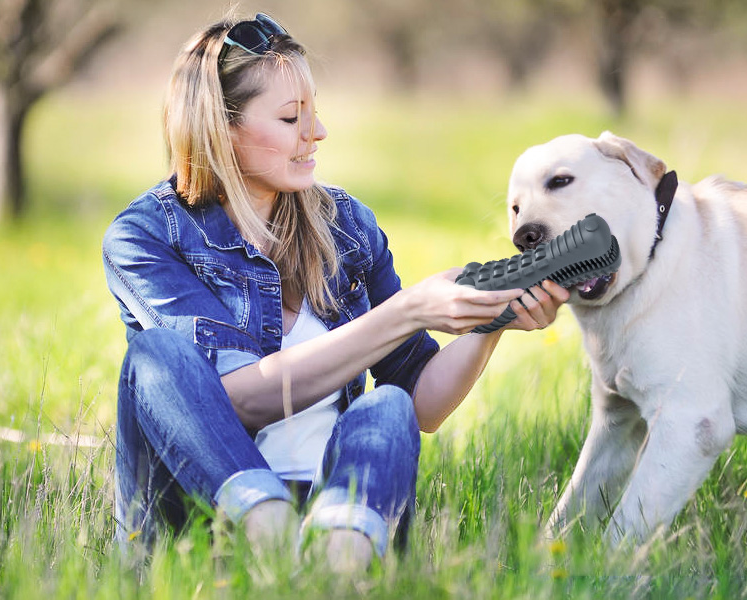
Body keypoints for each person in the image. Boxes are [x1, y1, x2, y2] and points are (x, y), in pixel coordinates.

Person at [101, 12, 569, 571]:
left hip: (332, 509)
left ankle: (335, 569)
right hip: (203, 521)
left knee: (388, 405)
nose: (316, 132)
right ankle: (270, 536)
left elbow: (421, 402)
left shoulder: (346, 225)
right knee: (158, 355)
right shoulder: (146, 236)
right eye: (291, 117)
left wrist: (490, 321)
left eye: (314, 112)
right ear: (221, 130)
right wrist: (406, 309)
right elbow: (242, 400)